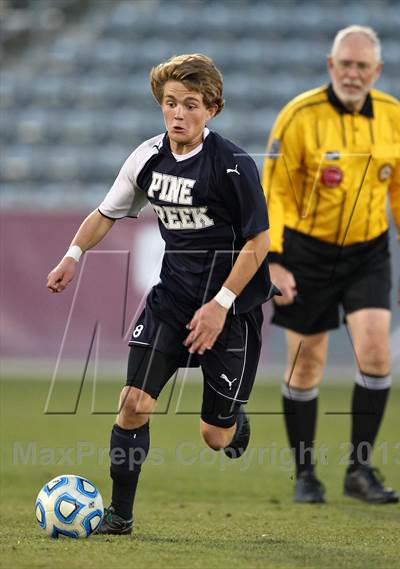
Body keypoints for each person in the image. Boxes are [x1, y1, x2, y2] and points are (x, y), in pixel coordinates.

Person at [47, 54, 274, 534]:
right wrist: (72, 254)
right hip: (171, 300)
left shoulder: (232, 166)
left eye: (191, 105)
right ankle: (120, 516)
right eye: (170, 103)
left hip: (231, 309)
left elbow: (259, 243)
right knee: (133, 403)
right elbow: (107, 212)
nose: (178, 114)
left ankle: (233, 421)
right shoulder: (147, 157)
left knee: (216, 437)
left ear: (212, 109)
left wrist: (220, 305)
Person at [262, 25, 400, 504]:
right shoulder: (300, 115)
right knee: (306, 364)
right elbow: (277, 189)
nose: (353, 73)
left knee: (375, 355)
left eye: (362, 66)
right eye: (345, 64)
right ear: (331, 66)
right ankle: (306, 474)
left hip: (368, 252)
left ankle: (359, 468)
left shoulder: (393, 117)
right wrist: (275, 259)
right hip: (307, 253)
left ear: (377, 71)